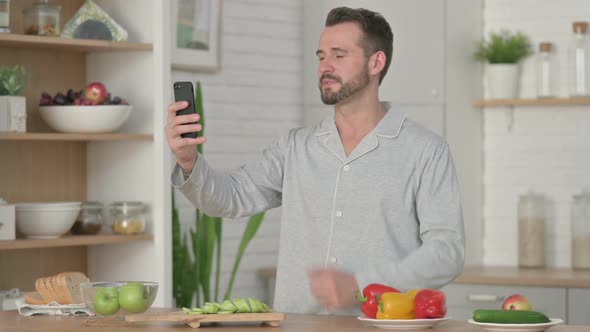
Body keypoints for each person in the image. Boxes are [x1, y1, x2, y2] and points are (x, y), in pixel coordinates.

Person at [166, 7, 464, 315]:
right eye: (321, 56)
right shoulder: (295, 147)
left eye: (339, 55)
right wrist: (189, 161)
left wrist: (362, 284)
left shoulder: (426, 151)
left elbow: (446, 253)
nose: (325, 66)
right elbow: (231, 198)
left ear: (376, 62)